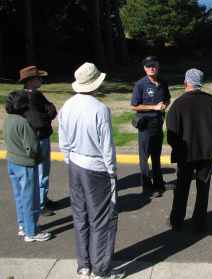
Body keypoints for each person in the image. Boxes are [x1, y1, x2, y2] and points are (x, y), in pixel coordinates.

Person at [59, 63, 123, 279]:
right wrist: (112, 171)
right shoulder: (99, 109)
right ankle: (101, 270)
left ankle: (84, 265)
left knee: (80, 215)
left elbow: (63, 140)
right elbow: (107, 146)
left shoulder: (67, 105)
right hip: (96, 167)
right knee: (102, 219)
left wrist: (69, 158)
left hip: (75, 164)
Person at [166, 69, 212, 233]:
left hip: (185, 154)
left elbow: (171, 135)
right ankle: (199, 223)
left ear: (186, 83)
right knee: (203, 187)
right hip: (206, 153)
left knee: (182, 187)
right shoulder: (211, 102)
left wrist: (178, 148)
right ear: (201, 83)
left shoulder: (178, 104)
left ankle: (176, 220)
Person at [4, 91, 52, 242]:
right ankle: (31, 232)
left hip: (12, 161)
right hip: (25, 165)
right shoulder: (24, 123)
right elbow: (31, 148)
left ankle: (22, 225)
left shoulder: (8, 119)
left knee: (19, 196)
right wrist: (39, 157)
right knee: (30, 198)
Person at [19, 65, 57, 216]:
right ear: (30, 81)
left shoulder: (24, 97)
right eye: (38, 78)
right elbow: (47, 113)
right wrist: (49, 113)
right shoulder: (33, 97)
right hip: (40, 137)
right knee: (42, 171)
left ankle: (42, 198)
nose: (41, 80)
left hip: (31, 138)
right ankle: (41, 203)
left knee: (39, 171)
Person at [131, 56, 171, 197]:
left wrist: (165, 105)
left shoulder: (163, 83)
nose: (151, 68)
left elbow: (167, 98)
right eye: (148, 66)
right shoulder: (140, 85)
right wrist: (154, 107)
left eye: (153, 65)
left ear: (158, 66)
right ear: (144, 68)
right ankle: (147, 188)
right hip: (145, 125)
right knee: (144, 157)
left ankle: (159, 184)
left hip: (158, 124)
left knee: (156, 155)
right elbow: (134, 106)